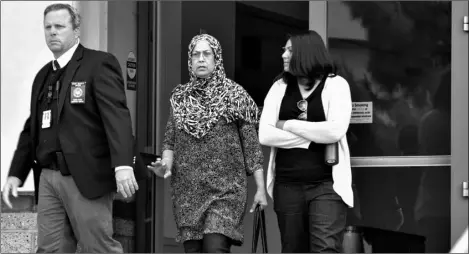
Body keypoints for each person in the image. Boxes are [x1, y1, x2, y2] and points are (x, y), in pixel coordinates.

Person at [1, 3, 146, 253]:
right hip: (48, 177)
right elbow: (32, 128)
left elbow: (117, 117)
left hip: (85, 175)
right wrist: (15, 172)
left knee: (96, 247)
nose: (52, 32)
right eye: (48, 27)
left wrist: (123, 165)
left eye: (59, 26)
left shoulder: (99, 63)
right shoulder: (43, 75)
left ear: (76, 30)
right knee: (50, 249)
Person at [148, 33, 268, 253]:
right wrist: (165, 165)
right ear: (190, 60)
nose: (201, 59)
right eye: (196, 54)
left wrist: (260, 188)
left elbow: (251, 147)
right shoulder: (181, 98)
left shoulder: (234, 95)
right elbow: (170, 141)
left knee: (215, 247)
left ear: (217, 59)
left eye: (206, 54)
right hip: (187, 193)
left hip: (226, 191)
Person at [258, 30, 354, 253]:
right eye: (284, 50)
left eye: (290, 50)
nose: (283, 54)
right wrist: (312, 136)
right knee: (293, 250)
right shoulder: (279, 87)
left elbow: (335, 130)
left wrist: (288, 124)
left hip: (326, 186)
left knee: (325, 248)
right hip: (287, 185)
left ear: (306, 53)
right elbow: (265, 134)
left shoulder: (336, 85)